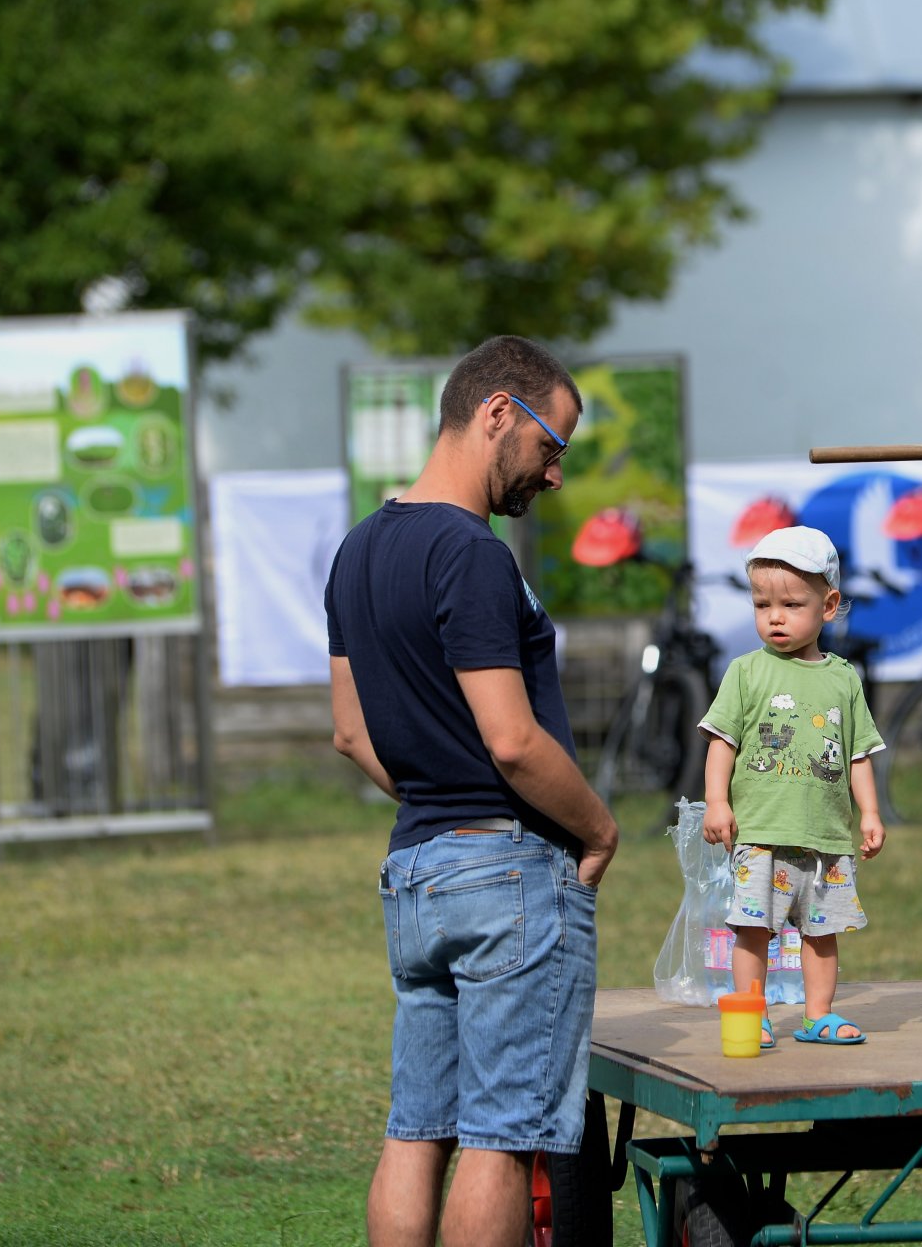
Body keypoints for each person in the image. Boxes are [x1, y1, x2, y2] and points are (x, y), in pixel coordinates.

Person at [325, 335, 619, 1247]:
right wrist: (599, 829)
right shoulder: (474, 554)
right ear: (498, 411)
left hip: (415, 871)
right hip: (506, 876)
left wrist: (434, 795)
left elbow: (350, 732)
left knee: (416, 1131)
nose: (556, 475)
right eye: (551, 446)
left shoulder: (358, 551)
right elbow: (513, 739)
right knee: (500, 1139)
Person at [698, 525, 885, 1048]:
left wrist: (868, 813)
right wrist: (717, 801)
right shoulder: (745, 672)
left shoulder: (843, 678)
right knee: (753, 928)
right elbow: (722, 743)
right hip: (761, 833)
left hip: (824, 837)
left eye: (790, 604)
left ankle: (817, 1014)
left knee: (821, 933)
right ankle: (750, 1014)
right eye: (762, 605)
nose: (774, 617)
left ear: (828, 606)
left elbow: (857, 753)